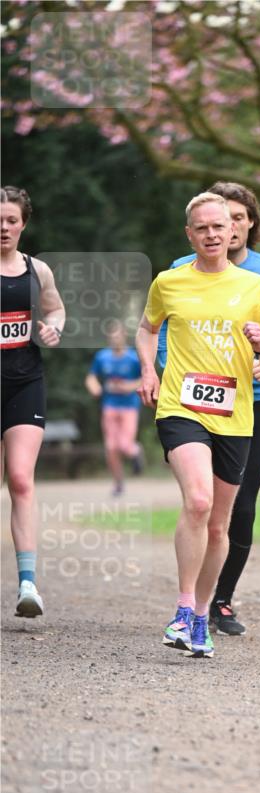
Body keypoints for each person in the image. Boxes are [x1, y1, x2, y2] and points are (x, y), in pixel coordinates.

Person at [157, 181, 260, 636]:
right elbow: (165, 328)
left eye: (237, 218)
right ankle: (193, 606)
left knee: (239, 508)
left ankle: (219, 600)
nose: (224, 230)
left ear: (246, 224)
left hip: (250, 402)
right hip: (188, 399)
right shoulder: (178, 272)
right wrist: (167, 370)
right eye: (211, 222)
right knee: (200, 501)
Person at [136, 192, 260, 658]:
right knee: (197, 501)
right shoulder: (169, 282)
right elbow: (146, 328)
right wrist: (148, 369)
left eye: (220, 227)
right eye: (202, 228)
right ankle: (181, 609)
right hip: (181, 406)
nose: (213, 235)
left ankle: (201, 615)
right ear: (190, 235)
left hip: (234, 415)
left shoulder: (255, 286)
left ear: (233, 231)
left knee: (219, 525)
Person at [1, 186, 66, 617]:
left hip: (25, 382)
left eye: (10, 220)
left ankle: (28, 585)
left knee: (21, 479)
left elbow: (55, 310)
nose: (2, 227)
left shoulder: (37, 270)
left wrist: (53, 328)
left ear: (23, 224)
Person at [85, 319, 143, 495]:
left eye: (117, 336)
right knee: (111, 447)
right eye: (111, 337)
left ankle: (136, 452)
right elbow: (91, 377)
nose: (114, 339)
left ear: (123, 336)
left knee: (125, 445)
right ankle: (118, 483)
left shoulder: (134, 357)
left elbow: (144, 379)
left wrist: (127, 387)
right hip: (109, 406)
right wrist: (93, 387)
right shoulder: (102, 357)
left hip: (129, 407)